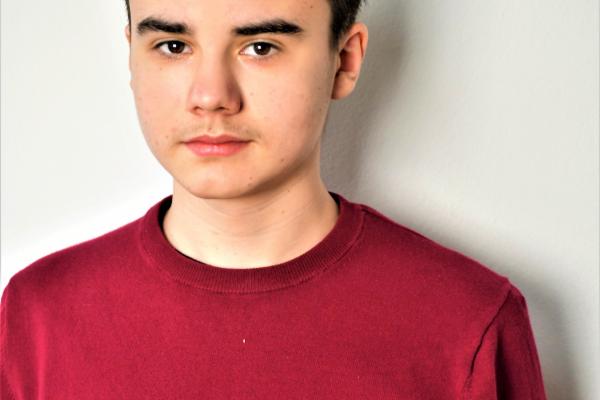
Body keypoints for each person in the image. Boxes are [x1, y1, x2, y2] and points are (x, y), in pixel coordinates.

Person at [1, 0, 548, 398]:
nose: (211, 96)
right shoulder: (39, 316)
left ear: (345, 60)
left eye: (260, 47)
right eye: (173, 46)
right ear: (131, 56)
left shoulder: (467, 322)